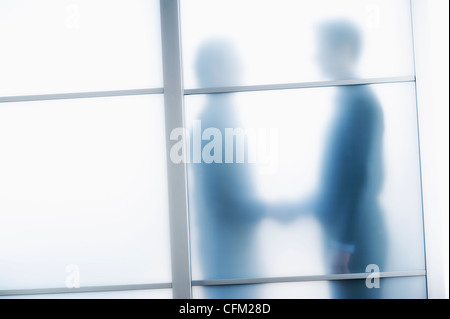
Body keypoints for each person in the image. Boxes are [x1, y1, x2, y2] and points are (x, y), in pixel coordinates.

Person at [314, 20, 387, 298]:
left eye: (320, 47)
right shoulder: (350, 100)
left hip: (358, 242)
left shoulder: (360, 101)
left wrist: (344, 243)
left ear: (343, 49)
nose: (315, 56)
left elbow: (361, 174)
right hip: (350, 238)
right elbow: (339, 178)